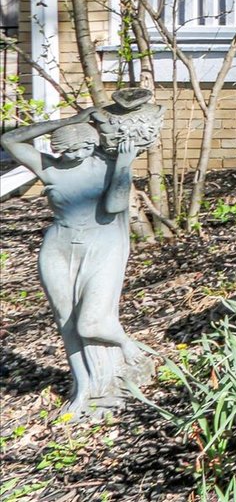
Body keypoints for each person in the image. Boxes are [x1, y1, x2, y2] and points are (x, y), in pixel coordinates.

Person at [0, 88, 160, 417]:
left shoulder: (106, 164)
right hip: (58, 247)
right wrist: (70, 119)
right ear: (59, 148)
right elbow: (11, 140)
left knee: (91, 322)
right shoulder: (49, 167)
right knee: (68, 324)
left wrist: (125, 166)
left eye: (86, 146)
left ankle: (129, 347)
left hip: (102, 245)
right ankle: (84, 388)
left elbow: (115, 205)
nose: (79, 153)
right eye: (71, 149)